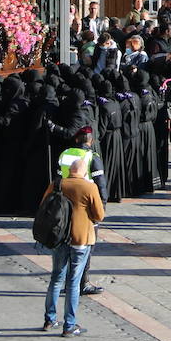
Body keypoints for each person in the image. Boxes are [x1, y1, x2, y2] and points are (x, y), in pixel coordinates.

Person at [40, 155, 103, 338]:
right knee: (74, 282)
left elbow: (43, 205)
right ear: (84, 172)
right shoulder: (89, 187)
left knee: (56, 278)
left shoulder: (58, 184)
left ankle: (49, 319)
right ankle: (69, 324)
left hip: (59, 238)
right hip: (81, 239)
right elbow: (99, 215)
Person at [58, 126, 107, 296]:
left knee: (66, 246)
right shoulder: (92, 156)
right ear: (90, 141)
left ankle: (66, 281)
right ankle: (82, 283)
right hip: (85, 210)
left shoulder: (64, 154)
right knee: (86, 248)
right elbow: (101, 185)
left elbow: (58, 178)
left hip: (64, 208)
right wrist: (101, 210)